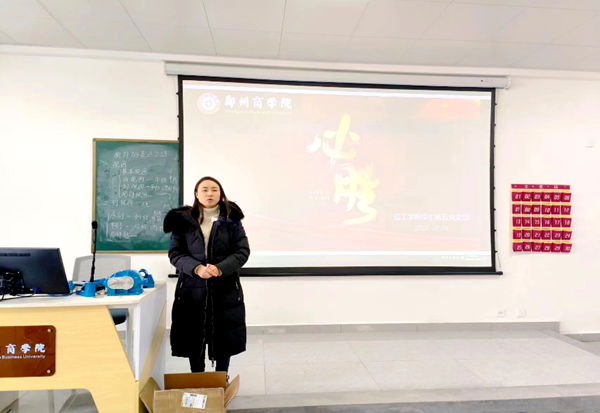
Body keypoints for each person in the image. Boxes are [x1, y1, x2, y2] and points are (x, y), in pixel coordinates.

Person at [163, 176, 250, 373]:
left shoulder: (232, 220)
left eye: (214, 189)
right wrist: (197, 268)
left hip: (225, 288)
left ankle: (221, 377)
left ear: (221, 194)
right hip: (191, 289)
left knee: (224, 335)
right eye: (204, 190)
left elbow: (242, 251)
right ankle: (197, 378)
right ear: (196, 194)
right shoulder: (183, 220)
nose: (209, 193)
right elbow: (175, 253)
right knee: (193, 335)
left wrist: (220, 268)